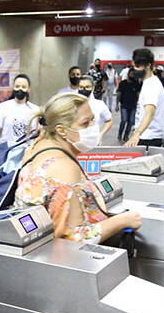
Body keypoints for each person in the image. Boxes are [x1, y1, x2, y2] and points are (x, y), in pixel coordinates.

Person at [13, 92, 141, 243]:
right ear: (61, 130)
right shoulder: (65, 168)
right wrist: (124, 220)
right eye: (85, 123)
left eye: (93, 119)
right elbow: (72, 238)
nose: (94, 127)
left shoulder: (38, 145)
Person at [124, 48, 164, 147]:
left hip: (149, 138)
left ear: (148, 66)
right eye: (133, 66)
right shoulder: (147, 82)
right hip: (145, 135)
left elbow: (149, 113)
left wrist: (137, 134)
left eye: (138, 66)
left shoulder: (152, 86)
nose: (134, 70)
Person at [0, 74, 39, 149]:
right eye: (17, 86)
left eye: (23, 87)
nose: (20, 89)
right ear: (13, 88)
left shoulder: (36, 110)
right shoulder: (3, 107)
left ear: (29, 89)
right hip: (6, 153)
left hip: (27, 153)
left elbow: (40, 134)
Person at [75, 76, 112, 147]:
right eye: (81, 87)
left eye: (87, 87)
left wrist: (101, 134)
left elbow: (109, 120)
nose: (84, 89)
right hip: (75, 143)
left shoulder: (99, 105)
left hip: (94, 143)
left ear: (93, 88)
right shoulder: (71, 104)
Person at [116, 73, 139, 143]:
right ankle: (120, 134)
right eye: (131, 74)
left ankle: (126, 135)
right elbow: (119, 94)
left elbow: (138, 94)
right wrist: (117, 104)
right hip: (124, 105)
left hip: (133, 106)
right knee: (124, 120)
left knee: (131, 121)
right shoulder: (123, 83)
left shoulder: (136, 83)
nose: (132, 75)